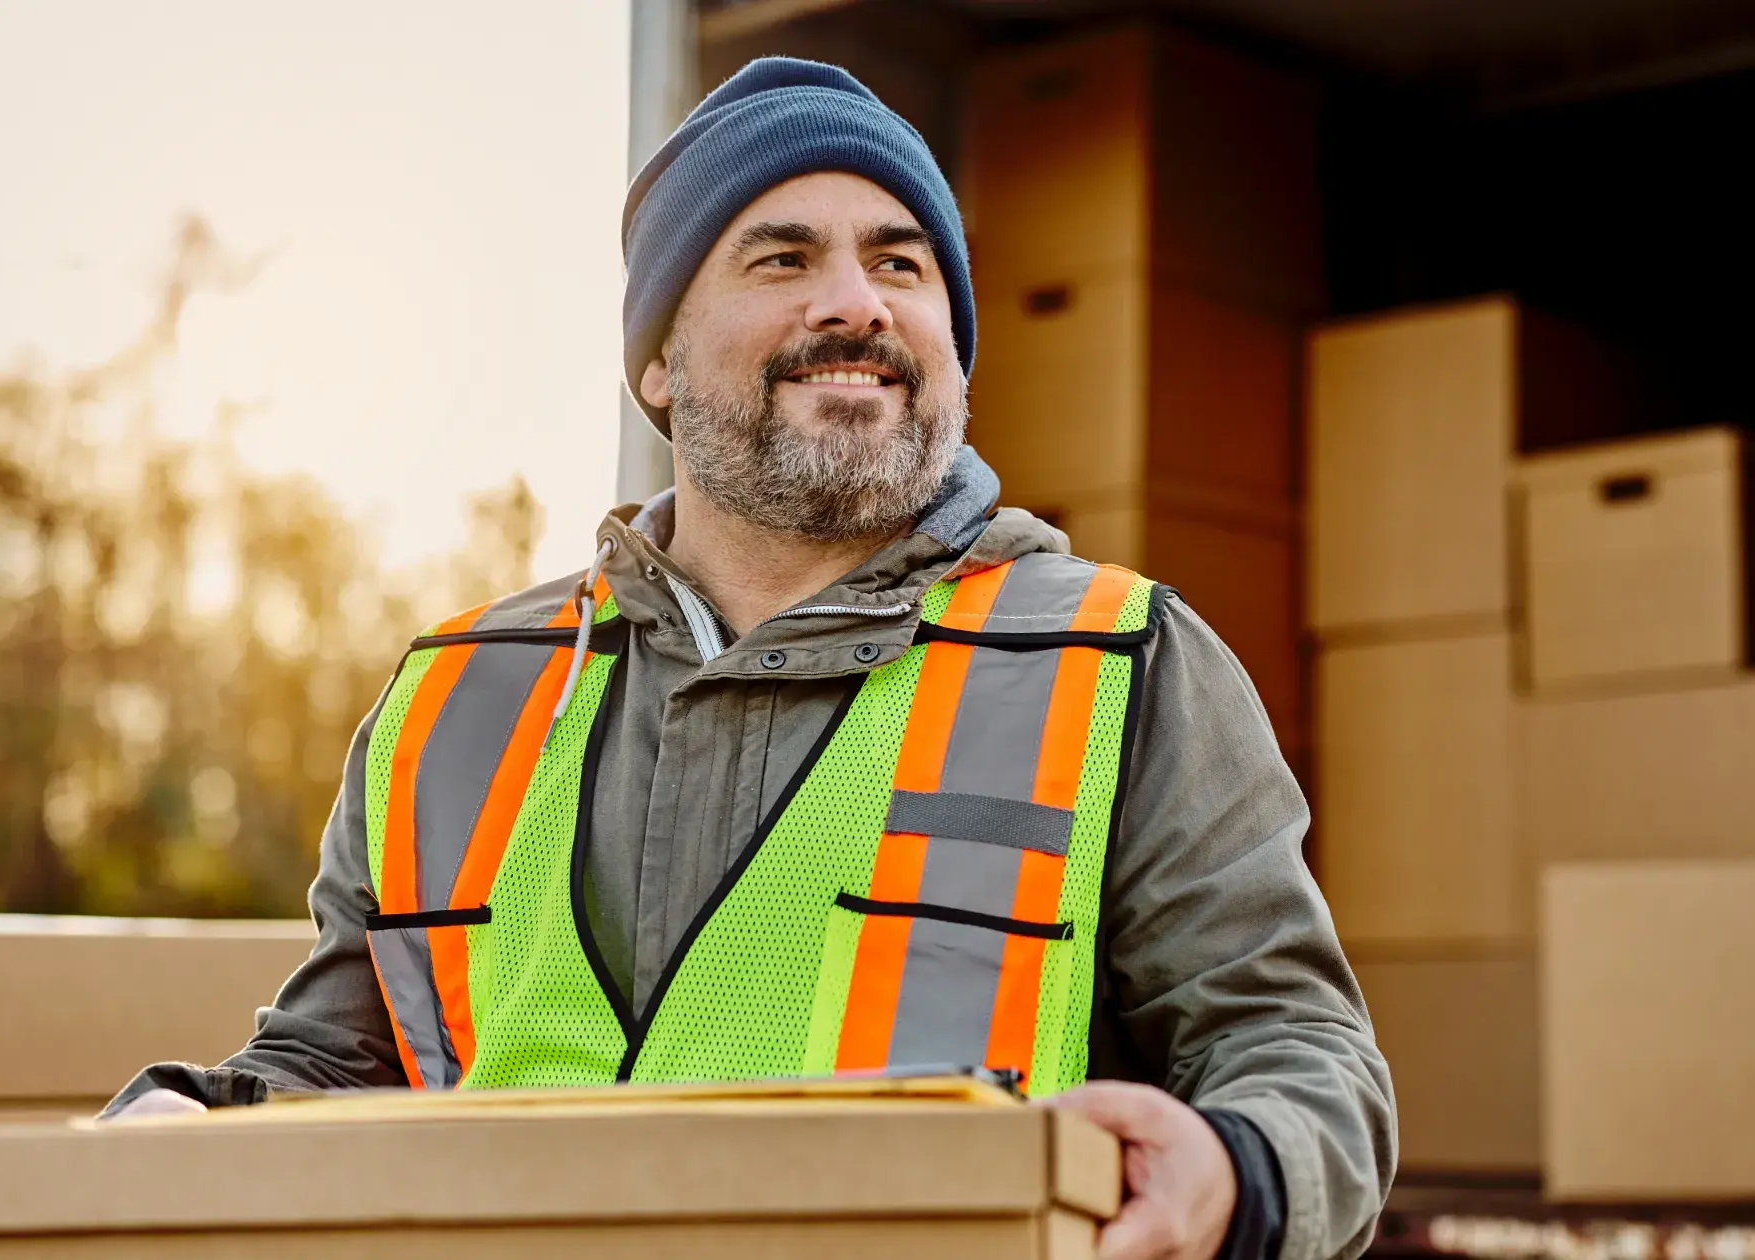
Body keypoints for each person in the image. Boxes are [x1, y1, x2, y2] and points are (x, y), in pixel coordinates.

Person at [106, 58, 1394, 1260]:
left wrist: (1235, 1168)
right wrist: (189, 1120)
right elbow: (341, 1063)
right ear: (657, 363)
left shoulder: (1121, 660)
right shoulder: (456, 696)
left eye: (903, 264)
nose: (858, 301)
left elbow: (1292, 1046)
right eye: (784, 258)